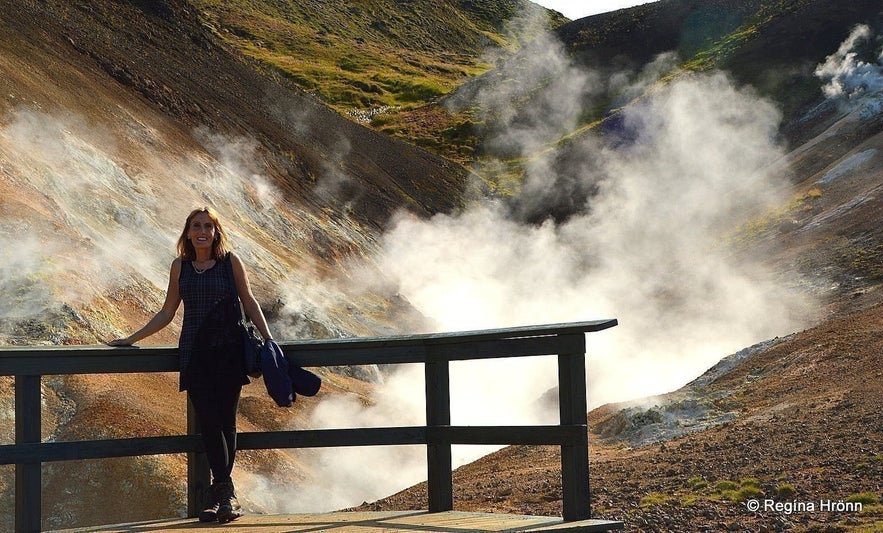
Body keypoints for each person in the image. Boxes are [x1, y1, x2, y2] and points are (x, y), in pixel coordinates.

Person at [109, 207, 273, 524]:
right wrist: (131, 338)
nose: (202, 231)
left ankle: (220, 496)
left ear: (216, 232)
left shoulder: (230, 263)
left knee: (226, 422)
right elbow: (167, 311)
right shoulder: (180, 267)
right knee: (209, 424)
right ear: (187, 232)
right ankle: (225, 495)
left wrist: (269, 339)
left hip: (228, 352)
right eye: (196, 226)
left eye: (208, 226)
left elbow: (249, 301)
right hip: (195, 355)